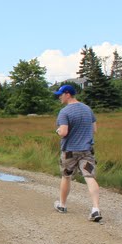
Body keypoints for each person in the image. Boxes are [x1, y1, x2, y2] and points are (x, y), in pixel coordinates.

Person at [53, 84, 101, 221]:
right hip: (87, 151)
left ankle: (62, 205)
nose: (59, 97)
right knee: (89, 177)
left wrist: (57, 131)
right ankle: (96, 209)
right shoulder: (87, 109)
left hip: (69, 152)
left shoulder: (64, 112)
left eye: (60, 95)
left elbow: (63, 132)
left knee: (66, 176)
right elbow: (94, 130)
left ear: (67, 94)